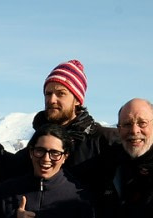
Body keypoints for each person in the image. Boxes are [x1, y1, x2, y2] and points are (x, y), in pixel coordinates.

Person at [16, 59, 116, 197]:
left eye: (61, 93)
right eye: (48, 93)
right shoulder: (36, 145)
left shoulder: (104, 141)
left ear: (77, 100)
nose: (51, 100)